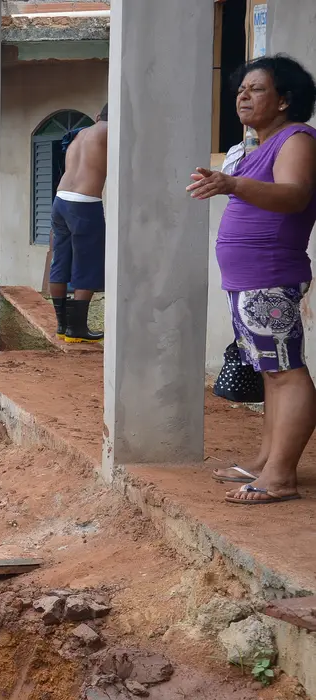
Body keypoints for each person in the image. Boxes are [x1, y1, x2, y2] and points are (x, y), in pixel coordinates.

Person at [187, 55, 316, 505]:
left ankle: (281, 476)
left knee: (286, 371)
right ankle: (267, 460)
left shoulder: (296, 138)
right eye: (241, 88)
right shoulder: (260, 145)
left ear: (285, 100)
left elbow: (295, 196)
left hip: (271, 275)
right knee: (271, 370)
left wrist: (232, 185)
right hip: (250, 278)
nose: (243, 94)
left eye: (256, 89)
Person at [49, 104, 108, 343]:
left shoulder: (80, 134)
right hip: (84, 203)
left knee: (61, 259)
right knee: (89, 262)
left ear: (97, 117)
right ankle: (77, 329)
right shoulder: (112, 132)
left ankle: (62, 325)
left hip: (60, 200)